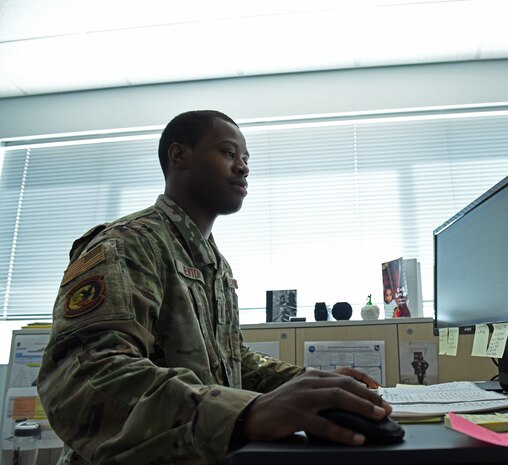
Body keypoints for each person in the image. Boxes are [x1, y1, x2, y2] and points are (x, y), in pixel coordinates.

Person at [36, 110, 391, 465]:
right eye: (228, 153)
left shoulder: (215, 265)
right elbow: (83, 378)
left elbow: (234, 362)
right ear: (180, 156)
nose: (243, 167)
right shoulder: (127, 244)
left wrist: (310, 381)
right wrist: (243, 414)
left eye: (246, 158)